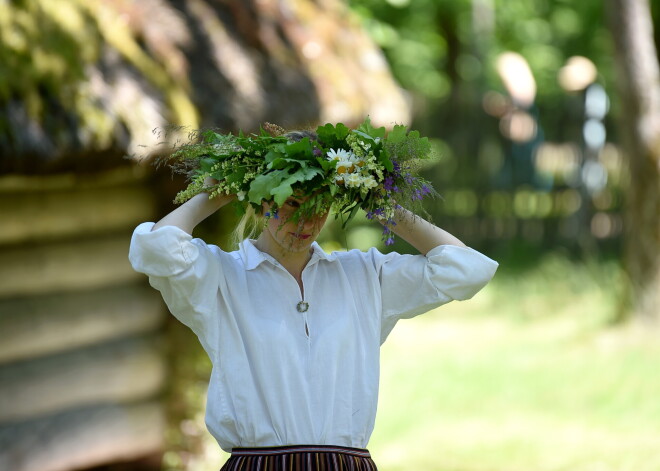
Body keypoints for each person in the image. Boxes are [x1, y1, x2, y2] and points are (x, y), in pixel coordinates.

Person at [128, 125, 499, 471]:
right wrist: (218, 190)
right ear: (258, 201)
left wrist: (381, 204)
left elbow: (467, 269)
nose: (306, 222)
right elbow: (155, 248)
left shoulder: (364, 275)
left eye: (319, 206)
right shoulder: (221, 277)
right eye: (292, 203)